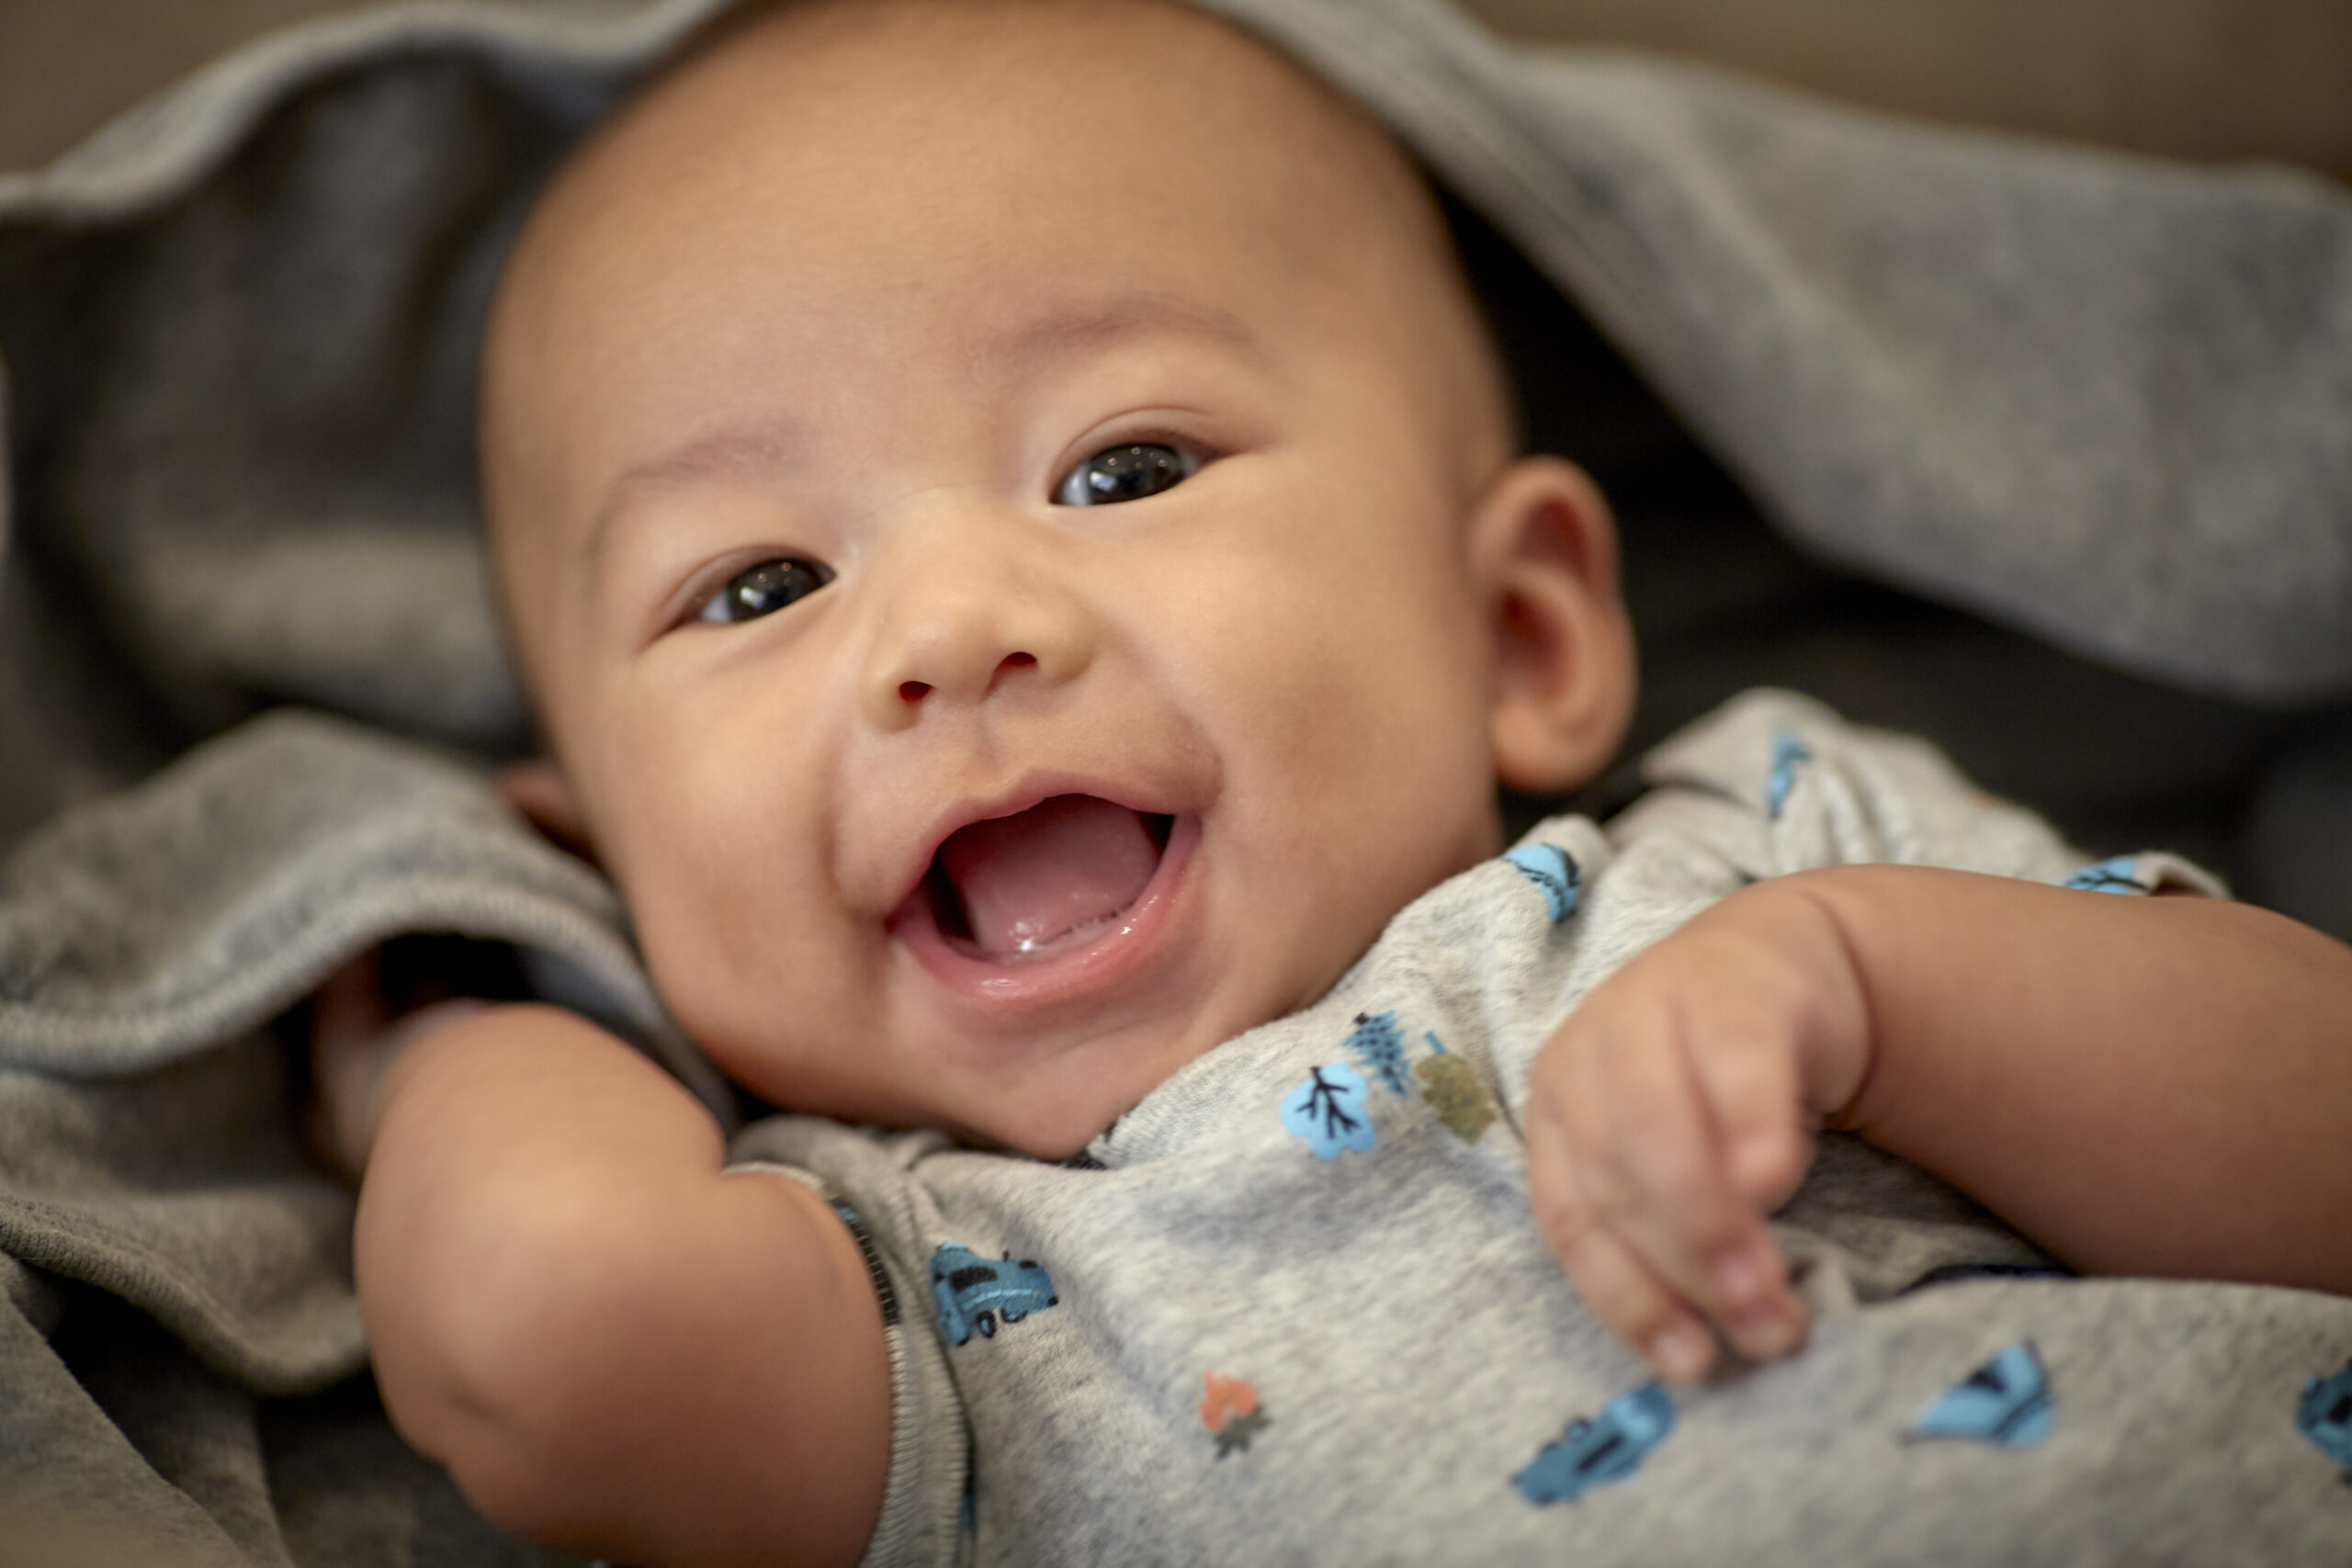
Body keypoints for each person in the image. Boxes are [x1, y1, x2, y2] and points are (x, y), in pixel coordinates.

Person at [306, 0, 2352, 1562]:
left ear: (1518, 635)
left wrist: (1882, 993)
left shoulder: (1766, 848)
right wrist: (484, 1020)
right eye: (754, 583)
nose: (947, 627)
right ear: (598, 854)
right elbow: (550, 1324)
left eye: (1124, 468)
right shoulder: (886, 1296)